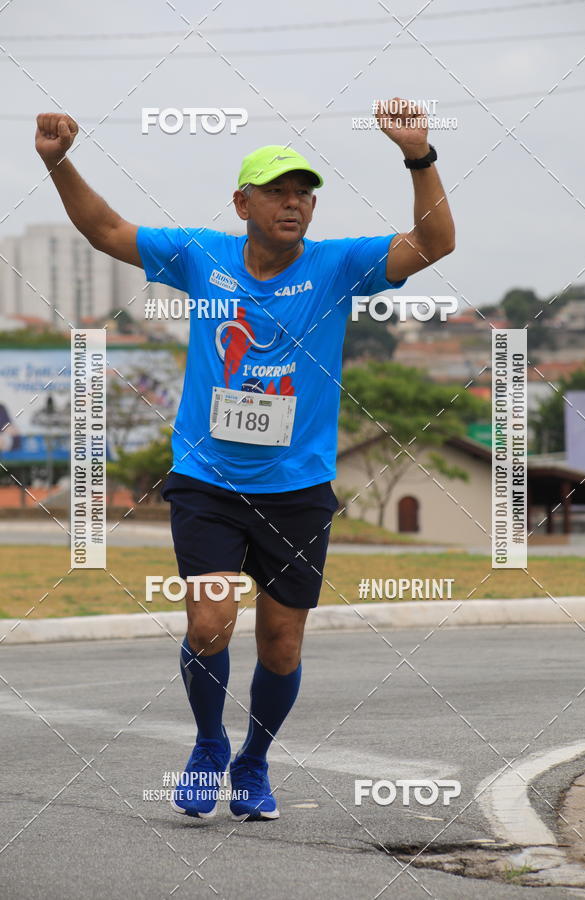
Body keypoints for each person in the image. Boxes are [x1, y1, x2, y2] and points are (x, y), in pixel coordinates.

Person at [35, 100, 455, 822]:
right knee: (207, 622)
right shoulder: (202, 255)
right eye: (278, 192)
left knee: (282, 644)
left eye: (304, 193)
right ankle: (206, 745)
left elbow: (435, 244)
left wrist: (419, 156)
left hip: (298, 488)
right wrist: (57, 161)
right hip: (207, 478)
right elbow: (106, 231)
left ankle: (253, 762)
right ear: (244, 202)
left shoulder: (338, 264)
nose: (294, 204)